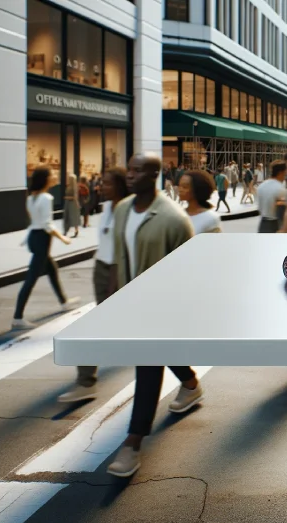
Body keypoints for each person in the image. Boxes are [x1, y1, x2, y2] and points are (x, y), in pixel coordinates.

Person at [106, 154, 202, 478]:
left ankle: (133, 443)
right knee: (157, 354)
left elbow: (190, 271)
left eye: (138, 171)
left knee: (147, 364)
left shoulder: (174, 219)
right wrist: (109, 302)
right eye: (129, 169)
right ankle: (190, 382)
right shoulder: (121, 210)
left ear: (155, 175)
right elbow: (118, 257)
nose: (129, 175)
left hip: (162, 307)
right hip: (131, 303)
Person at [58, 167, 129, 402]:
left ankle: (86, 382)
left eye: (108, 183)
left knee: (90, 328)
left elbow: (124, 247)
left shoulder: (128, 209)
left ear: (119, 185)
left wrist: (113, 281)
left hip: (118, 273)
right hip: (102, 268)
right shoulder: (107, 207)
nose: (102, 187)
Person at [12, 167, 80, 330]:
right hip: (42, 238)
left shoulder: (31, 198)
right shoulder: (46, 198)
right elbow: (47, 224)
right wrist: (63, 238)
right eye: (52, 174)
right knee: (31, 279)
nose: (55, 176)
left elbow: (35, 221)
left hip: (33, 237)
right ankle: (17, 317)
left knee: (52, 269)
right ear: (46, 179)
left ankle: (64, 302)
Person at [179, 169, 222, 234]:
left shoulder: (211, 218)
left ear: (197, 189)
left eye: (185, 187)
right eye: (179, 186)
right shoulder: (179, 215)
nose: (180, 189)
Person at [257, 160, 287, 233]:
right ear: (281, 172)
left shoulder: (261, 186)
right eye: (285, 173)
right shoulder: (280, 188)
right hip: (275, 224)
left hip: (262, 223)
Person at [63, 173, 81, 238]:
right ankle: (66, 230)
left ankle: (76, 231)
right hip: (67, 203)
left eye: (69, 178)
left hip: (72, 203)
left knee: (74, 217)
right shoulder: (68, 186)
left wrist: (77, 204)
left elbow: (75, 197)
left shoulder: (74, 187)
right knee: (67, 216)